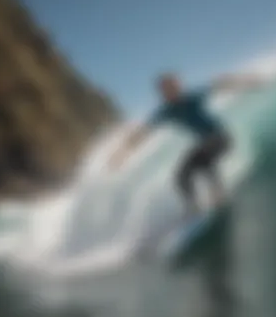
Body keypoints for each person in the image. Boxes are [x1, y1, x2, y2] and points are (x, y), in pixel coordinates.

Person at [110, 72, 263, 217]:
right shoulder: (167, 111)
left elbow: (219, 84)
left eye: (173, 87)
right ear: (163, 93)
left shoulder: (191, 98)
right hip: (205, 143)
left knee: (203, 157)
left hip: (221, 138)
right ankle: (193, 207)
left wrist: (248, 81)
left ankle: (218, 194)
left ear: (178, 86)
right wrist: (122, 153)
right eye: (165, 90)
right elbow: (144, 131)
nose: (170, 91)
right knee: (181, 177)